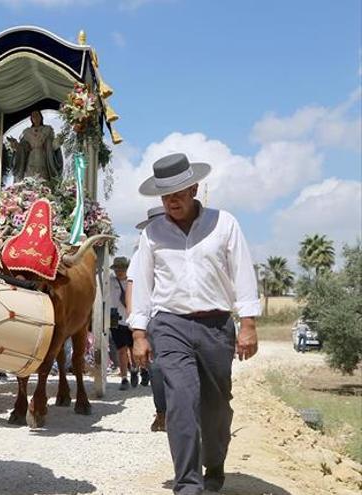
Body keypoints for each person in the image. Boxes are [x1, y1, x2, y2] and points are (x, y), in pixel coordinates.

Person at [129, 153, 260, 495]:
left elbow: (243, 273)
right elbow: (142, 285)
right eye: (165, 194)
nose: (171, 200)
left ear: (194, 188)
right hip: (170, 326)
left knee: (217, 407)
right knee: (181, 402)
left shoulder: (224, 224)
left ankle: (214, 463)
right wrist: (139, 333)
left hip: (216, 326)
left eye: (178, 192)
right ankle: (187, 484)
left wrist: (248, 324)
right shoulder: (153, 234)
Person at [128, 206, 167, 431]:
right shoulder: (140, 254)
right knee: (158, 369)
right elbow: (132, 287)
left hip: (182, 317)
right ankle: (162, 412)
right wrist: (137, 326)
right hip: (154, 320)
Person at [8, 109, 63, 181]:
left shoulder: (47, 130)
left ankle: (44, 191)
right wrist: (16, 145)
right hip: (31, 158)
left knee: (43, 178)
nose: (35, 118)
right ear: (31, 119)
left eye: (37, 115)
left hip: (43, 157)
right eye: (33, 116)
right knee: (30, 178)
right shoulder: (27, 132)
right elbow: (24, 147)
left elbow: (51, 145)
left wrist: (57, 141)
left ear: (41, 117)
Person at [109, 256, 136, 390]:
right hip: (115, 318)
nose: (119, 271)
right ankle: (124, 378)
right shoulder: (109, 281)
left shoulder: (133, 282)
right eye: (117, 269)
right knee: (121, 349)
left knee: (132, 348)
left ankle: (135, 369)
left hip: (131, 318)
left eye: (122, 269)